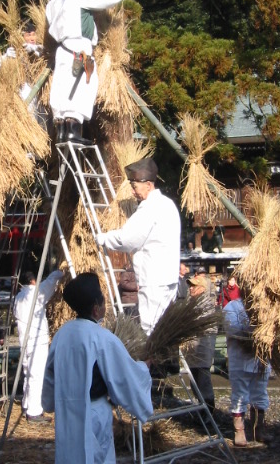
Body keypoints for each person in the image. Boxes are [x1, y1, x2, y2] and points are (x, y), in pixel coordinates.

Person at [42, 272, 153, 464]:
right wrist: (146, 366)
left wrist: (49, 402)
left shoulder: (62, 334)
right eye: (102, 301)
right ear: (95, 309)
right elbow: (125, 374)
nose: (104, 305)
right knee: (96, 457)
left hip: (66, 412)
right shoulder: (102, 338)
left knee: (70, 456)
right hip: (94, 413)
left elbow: (50, 375)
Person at [46, 0, 129, 144]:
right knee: (81, 90)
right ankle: (73, 133)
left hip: (63, 52)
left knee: (63, 90)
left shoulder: (52, 4)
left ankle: (63, 131)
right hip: (79, 50)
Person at [96, 158, 181, 334]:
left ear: (148, 185)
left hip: (154, 278)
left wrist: (103, 238)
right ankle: (166, 361)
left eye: (135, 187)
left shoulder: (150, 207)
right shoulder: (168, 204)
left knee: (152, 329)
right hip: (168, 277)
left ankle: (155, 362)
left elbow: (127, 239)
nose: (134, 192)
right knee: (167, 329)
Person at [13, 268, 64, 423]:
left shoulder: (19, 297)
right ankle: (34, 411)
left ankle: (27, 404)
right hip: (37, 340)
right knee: (37, 375)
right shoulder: (34, 293)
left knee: (28, 372)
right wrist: (61, 271)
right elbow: (50, 283)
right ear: (33, 281)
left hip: (24, 341)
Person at [223, 295, 271, 446]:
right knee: (239, 395)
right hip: (239, 359)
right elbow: (233, 329)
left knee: (260, 393)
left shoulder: (266, 305)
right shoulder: (232, 307)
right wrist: (255, 333)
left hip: (261, 360)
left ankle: (258, 430)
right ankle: (240, 431)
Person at [183, 274, 217, 414]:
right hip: (193, 348)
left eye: (194, 286)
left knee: (202, 379)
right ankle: (200, 408)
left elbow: (200, 325)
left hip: (203, 347)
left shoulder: (206, 304)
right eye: (190, 285)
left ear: (202, 288)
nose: (191, 288)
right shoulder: (191, 302)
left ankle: (208, 410)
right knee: (194, 380)